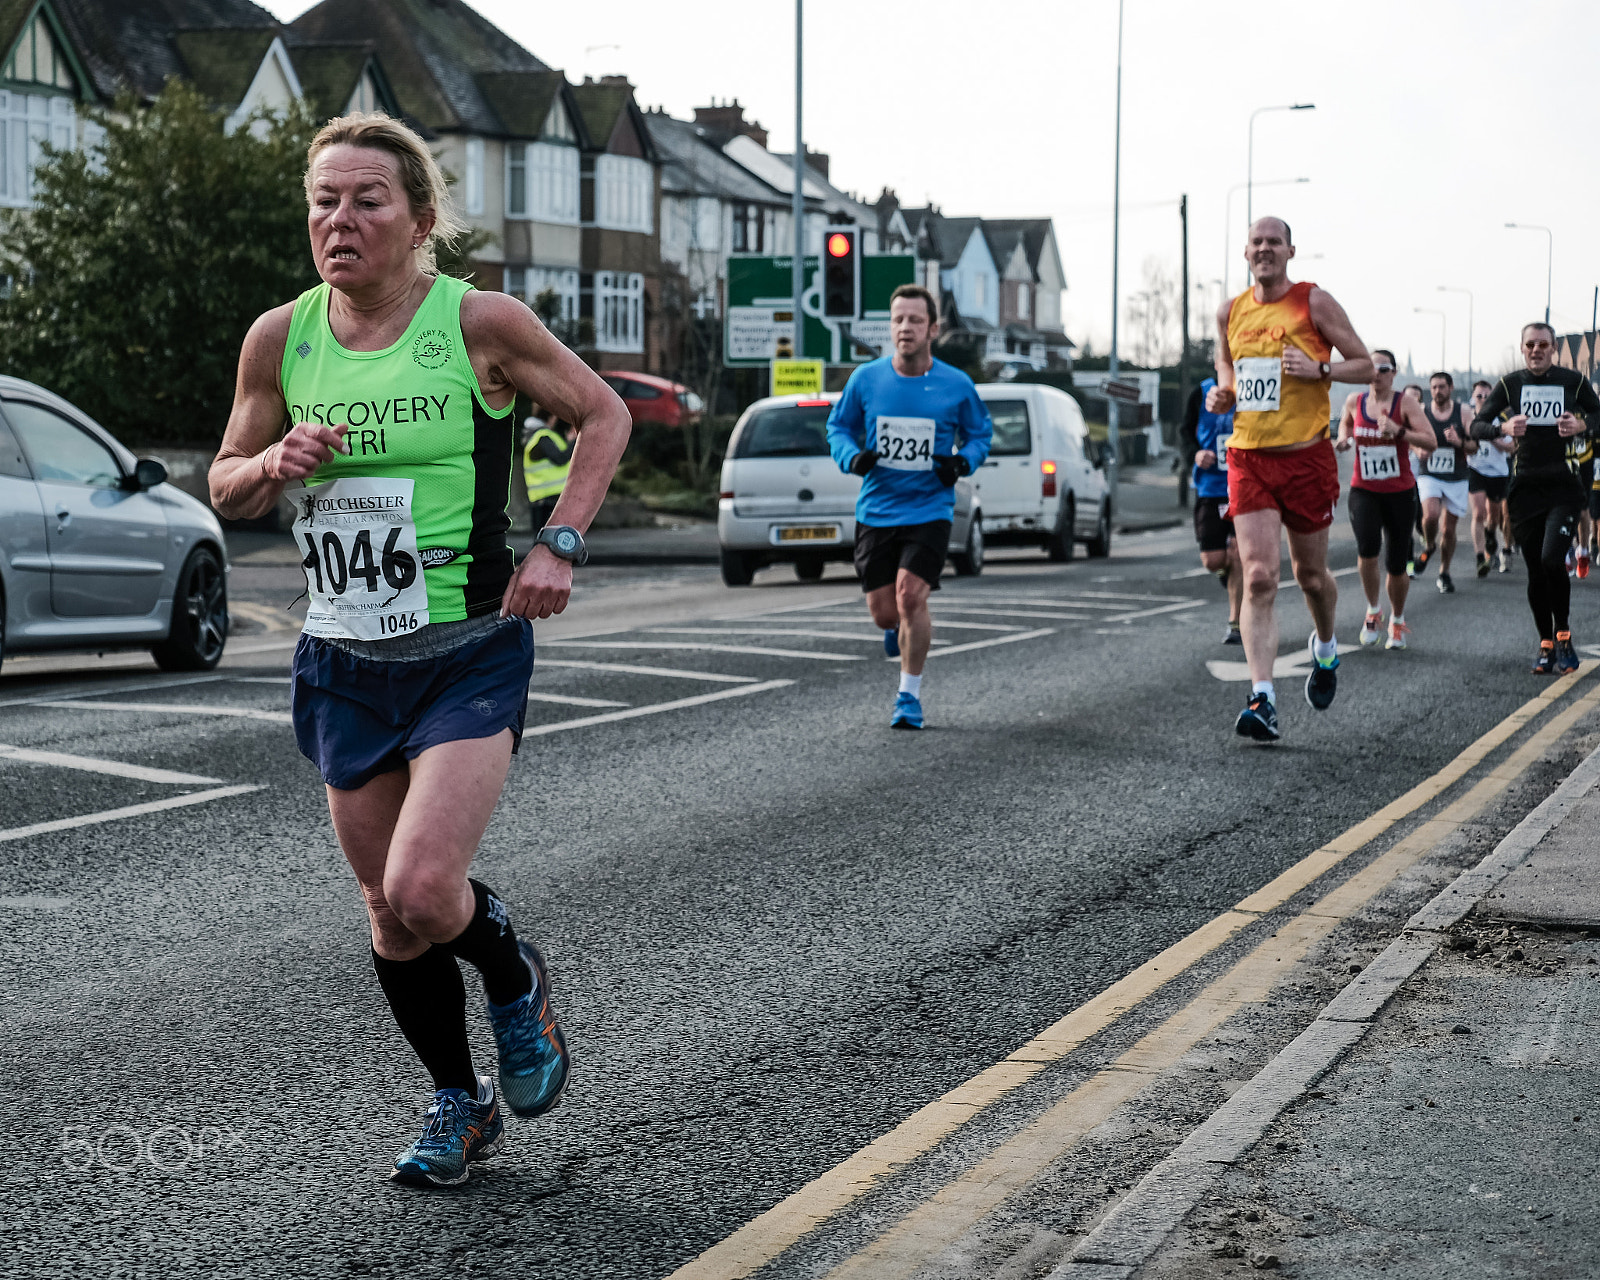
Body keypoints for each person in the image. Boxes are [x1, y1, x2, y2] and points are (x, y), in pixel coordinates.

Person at [208, 113, 630, 1186]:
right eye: (322, 201)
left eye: (366, 201)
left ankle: (513, 974)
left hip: (466, 644)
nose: (338, 221)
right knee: (391, 920)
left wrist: (561, 541)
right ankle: (459, 1099)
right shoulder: (281, 337)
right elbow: (221, 475)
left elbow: (602, 412)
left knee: (427, 884)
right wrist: (268, 463)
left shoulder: (477, 321)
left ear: (419, 219)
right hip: (343, 653)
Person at [1206, 217, 1374, 741]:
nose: (1264, 249)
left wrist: (1320, 370)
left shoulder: (1313, 302)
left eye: (1273, 242)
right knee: (1257, 576)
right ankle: (1263, 697)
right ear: (1245, 252)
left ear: (1290, 251)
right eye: (1256, 242)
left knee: (1311, 577)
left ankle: (1324, 648)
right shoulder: (1229, 311)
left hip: (1306, 459)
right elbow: (1227, 367)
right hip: (1249, 459)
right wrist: (1224, 393)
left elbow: (1366, 365)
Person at [826, 283, 993, 729]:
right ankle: (893, 630)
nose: (905, 327)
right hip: (877, 509)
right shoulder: (867, 379)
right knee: (885, 612)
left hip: (930, 509)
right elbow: (838, 428)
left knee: (910, 596)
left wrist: (960, 463)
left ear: (933, 329)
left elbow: (980, 434)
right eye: (898, 319)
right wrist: (852, 457)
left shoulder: (956, 385)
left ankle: (908, 697)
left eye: (915, 320)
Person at [1470, 322, 1600, 673]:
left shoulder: (1573, 381)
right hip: (1525, 489)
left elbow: (1599, 414)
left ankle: (1563, 634)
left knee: (1552, 560)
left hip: (1563, 485)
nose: (1536, 350)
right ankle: (1545, 644)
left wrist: (1582, 425)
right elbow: (1476, 427)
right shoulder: (1510, 385)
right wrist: (1502, 428)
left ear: (1554, 347)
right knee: (1535, 571)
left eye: (1543, 344)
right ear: (1523, 347)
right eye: (1530, 345)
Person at [1334, 350, 1433, 649]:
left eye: (1385, 369)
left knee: (1397, 564)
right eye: (1373, 368)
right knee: (1367, 549)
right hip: (1364, 489)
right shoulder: (1355, 401)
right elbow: (1346, 423)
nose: (1378, 374)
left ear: (1394, 372)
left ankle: (1398, 620)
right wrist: (1344, 438)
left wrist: (1399, 431)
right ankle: (1373, 611)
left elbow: (1430, 440)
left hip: (1400, 492)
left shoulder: (1406, 403)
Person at [1180, 376, 1242, 643]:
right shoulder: (1201, 392)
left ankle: (1236, 622)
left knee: (1238, 554)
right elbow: (1184, 433)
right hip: (1210, 488)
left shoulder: (1250, 388)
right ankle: (1230, 579)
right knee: (1214, 560)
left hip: (1243, 487)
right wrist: (1195, 454)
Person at [1416, 371, 1475, 594]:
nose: (1437, 391)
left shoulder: (1464, 413)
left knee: (1449, 530)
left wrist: (1459, 441)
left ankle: (1444, 571)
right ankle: (1430, 544)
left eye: (1442, 387)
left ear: (1450, 388)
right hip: (1430, 473)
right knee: (1430, 515)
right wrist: (1418, 449)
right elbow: (1412, 438)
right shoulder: (1423, 413)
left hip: (1456, 476)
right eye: (1434, 388)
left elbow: (1474, 446)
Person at [1466, 378, 1514, 574]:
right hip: (1476, 469)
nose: (1483, 399)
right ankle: (1481, 557)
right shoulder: (1467, 419)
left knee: (1495, 517)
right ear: (1473, 397)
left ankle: (1492, 536)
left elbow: (1511, 447)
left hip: (1498, 472)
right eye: (1479, 395)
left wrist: (1493, 438)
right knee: (1478, 512)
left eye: (1487, 396)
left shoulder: (1501, 419)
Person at [522, 408, 576, 534]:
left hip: (544, 497)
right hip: (548, 499)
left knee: (544, 539)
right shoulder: (543, 437)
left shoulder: (537, 436)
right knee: (550, 540)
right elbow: (560, 458)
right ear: (550, 417)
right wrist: (574, 442)